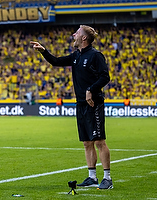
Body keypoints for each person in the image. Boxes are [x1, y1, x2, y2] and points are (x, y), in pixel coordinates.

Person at [30, 25, 112, 189]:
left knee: (99, 141)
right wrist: (43, 51)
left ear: (83, 38)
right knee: (87, 142)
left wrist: (91, 90)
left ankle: (107, 179)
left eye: (77, 33)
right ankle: (92, 177)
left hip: (94, 103)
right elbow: (56, 62)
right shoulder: (76, 56)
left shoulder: (96, 55)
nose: (73, 34)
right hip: (80, 104)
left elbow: (105, 77)